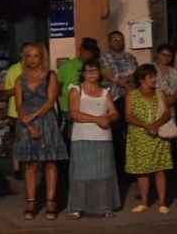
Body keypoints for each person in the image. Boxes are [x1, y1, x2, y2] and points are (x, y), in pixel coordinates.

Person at [14, 43, 67, 221]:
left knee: (50, 162)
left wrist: (34, 116)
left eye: (35, 56)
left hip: (46, 120)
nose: (31, 59)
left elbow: (51, 101)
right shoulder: (20, 79)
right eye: (28, 56)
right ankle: (31, 200)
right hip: (26, 123)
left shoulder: (50, 76)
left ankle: (51, 201)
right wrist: (28, 123)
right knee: (30, 164)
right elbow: (19, 104)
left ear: (41, 57)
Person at [66, 60, 121, 219]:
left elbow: (114, 112)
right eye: (88, 71)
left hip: (103, 138)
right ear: (83, 73)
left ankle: (105, 206)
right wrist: (97, 119)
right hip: (82, 137)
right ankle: (78, 206)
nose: (91, 74)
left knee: (103, 174)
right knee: (82, 175)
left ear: (99, 73)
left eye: (94, 71)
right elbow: (74, 113)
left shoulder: (105, 92)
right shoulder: (76, 90)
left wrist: (108, 118)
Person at [124, 64, 173, 213]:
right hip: (140, 137)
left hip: (158, 137)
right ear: (141, 79)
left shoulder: (160, 93)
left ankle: (162, 202)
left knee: (160, 169)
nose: (154, 79)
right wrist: (145, 125)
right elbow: (129, 115)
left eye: (154, 76)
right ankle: (144, 202)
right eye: (151, 77)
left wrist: (156, 125)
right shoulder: (132, 95)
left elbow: (166, 113)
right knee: (142, 171)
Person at [101, 31, 138, 174]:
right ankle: (118, 170)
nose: (117, 41)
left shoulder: (131, 57)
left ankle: (132, 167)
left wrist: (124, 81)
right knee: (116, 136)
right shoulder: (104, 57)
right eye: (114, 39)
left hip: (130, 100)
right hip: (114, 101)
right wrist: (124, 81)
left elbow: (136, 74)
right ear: (109, 42)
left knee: (131, 135)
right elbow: (108, 74)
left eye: (120, 39)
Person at [58, 38, 99, 111]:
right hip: (68, 108)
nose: (88, 54)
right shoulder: (67, 66)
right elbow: (58, 87)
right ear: (80, 50)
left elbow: (102, 86)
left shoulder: (96, 67)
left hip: (91, 107)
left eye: (91, 51)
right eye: (86, 51)